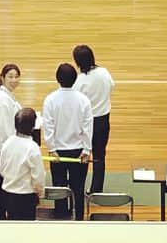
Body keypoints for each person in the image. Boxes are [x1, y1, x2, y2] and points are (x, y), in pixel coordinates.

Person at [42, 63, 93, 220]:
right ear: (75, 79)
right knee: (78, 188)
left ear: (58, 79)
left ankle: (61, 218)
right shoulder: (83, 100)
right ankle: (79, 218)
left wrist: (52, 148)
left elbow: (48, 126)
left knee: (59, 187)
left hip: (58, 152)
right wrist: (86, 150)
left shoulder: (50, 100)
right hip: (78, 152)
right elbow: (87, 126)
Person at [71, 45, 113, 193]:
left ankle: (79, 185)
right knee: (100, 155)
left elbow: (76, 102)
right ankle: (96, 188)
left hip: (88, 122)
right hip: (104, 119)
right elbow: (111, 86)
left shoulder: (80, 81)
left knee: (84, 153)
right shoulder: (104, 72)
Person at [0, 63, 22, 219]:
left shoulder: (7, 96)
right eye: (10, 77)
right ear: (2, 78)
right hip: (1, 151)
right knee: (1, 189)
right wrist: (13, 151)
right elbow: (5, 131)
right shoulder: (2, 100)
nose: (14, 80)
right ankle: (0, 220)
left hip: (5, 149)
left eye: (16, 77)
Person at [0, 107, 45, 221]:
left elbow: (1, 169)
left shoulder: (7, 143)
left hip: (8, 193)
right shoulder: (32, 147)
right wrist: (40, 192)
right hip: (26, 196)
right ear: (33, 127)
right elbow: (38, 176)